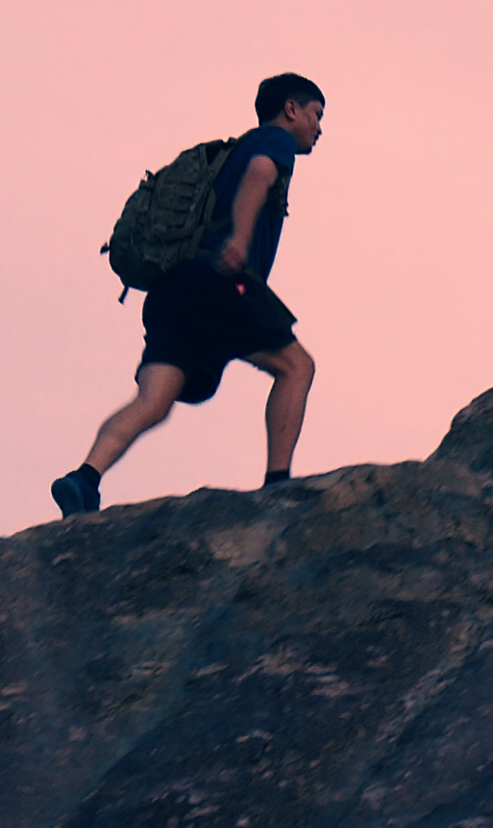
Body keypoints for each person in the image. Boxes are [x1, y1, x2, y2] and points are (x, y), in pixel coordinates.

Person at [52, 74, 325, 517]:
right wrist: (238, 237)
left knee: (152, 401)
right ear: (291, 109)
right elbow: (260, 176)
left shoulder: (226, 154)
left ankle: (84, 478)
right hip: (221, 278)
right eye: (316, 115)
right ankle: (278, 486)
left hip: (171, 288)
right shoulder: (273, 141)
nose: (319, 128)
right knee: (297, 367)